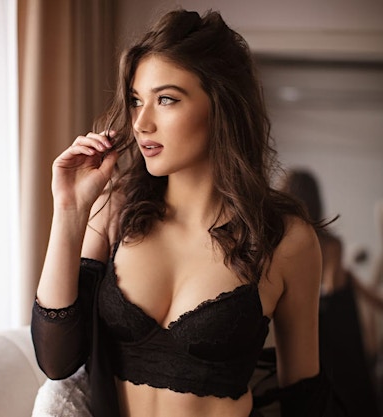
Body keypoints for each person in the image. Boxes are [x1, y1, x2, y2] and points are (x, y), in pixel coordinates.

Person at [30, 9, 341, 417]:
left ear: (222, 105)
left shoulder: (285, 238)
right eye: (137, 101)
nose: (141, 122)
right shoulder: (116, 211)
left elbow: (304, 394)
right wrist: (70, 209)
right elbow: (57, 360)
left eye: (166, 99)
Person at [281, 169, 379, 415]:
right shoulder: (330, 243)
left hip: (303, 326)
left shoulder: (281, 242)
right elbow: (333, 287)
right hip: (334, 333)